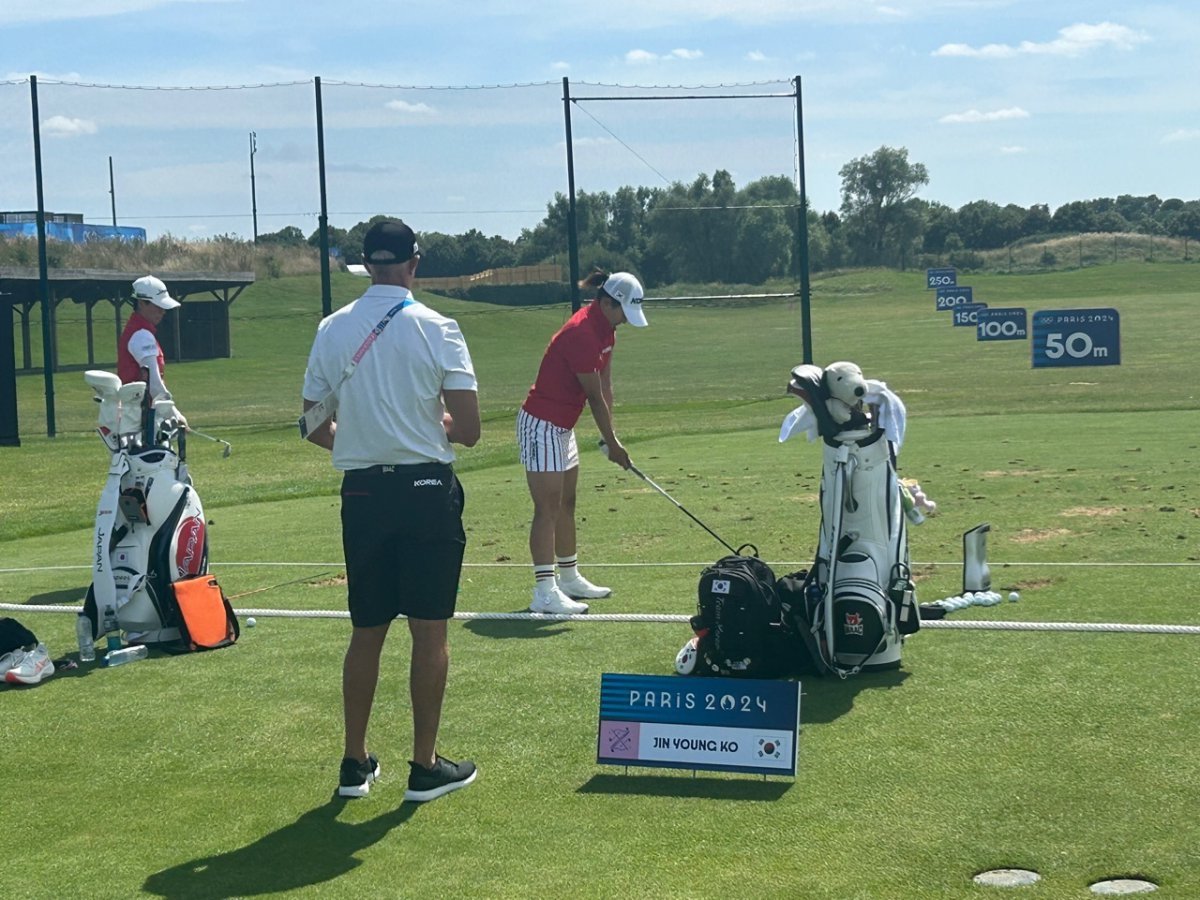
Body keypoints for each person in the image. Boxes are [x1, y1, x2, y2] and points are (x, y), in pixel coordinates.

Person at [301, 218, 481, 803]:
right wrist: (431, 426)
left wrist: (359, 443)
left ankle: (355, 763)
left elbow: (310, 423)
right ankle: (424, 766)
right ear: (414, 263)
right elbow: (470, 430)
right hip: (427, 488)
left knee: (366, 631)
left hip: (362, 495)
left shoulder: (332, 329)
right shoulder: (439, 327)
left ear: (366, 265)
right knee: (430, 634)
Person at [517, 269, 647, 615]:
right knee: (547, 507)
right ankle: (544, 591)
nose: (624, 321)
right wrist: (614, 444)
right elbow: (592, 396)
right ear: (607, 302)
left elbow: (605, 387)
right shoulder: (581, 333)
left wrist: (611, 438)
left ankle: (569, 576)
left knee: (567, 502)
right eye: (622, 312)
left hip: (563, 427)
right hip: (541, 425)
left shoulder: (606, 330)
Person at [118, 275, 180, 403]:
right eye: (158, 306)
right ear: (141, 303)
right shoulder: (142, 335)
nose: (162, 311)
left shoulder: (137, 330)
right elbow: (155, 386)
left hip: (135, 412)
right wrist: (173, 413)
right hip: (141, 416)